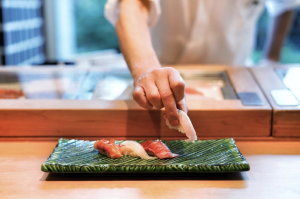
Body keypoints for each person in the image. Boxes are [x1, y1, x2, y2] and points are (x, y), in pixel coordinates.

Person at [104, 0, 300, 126]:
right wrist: (146, 69)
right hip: (155, 76)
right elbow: (132, 5)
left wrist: (271, 58)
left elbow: (284, 3)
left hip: (235, 75)